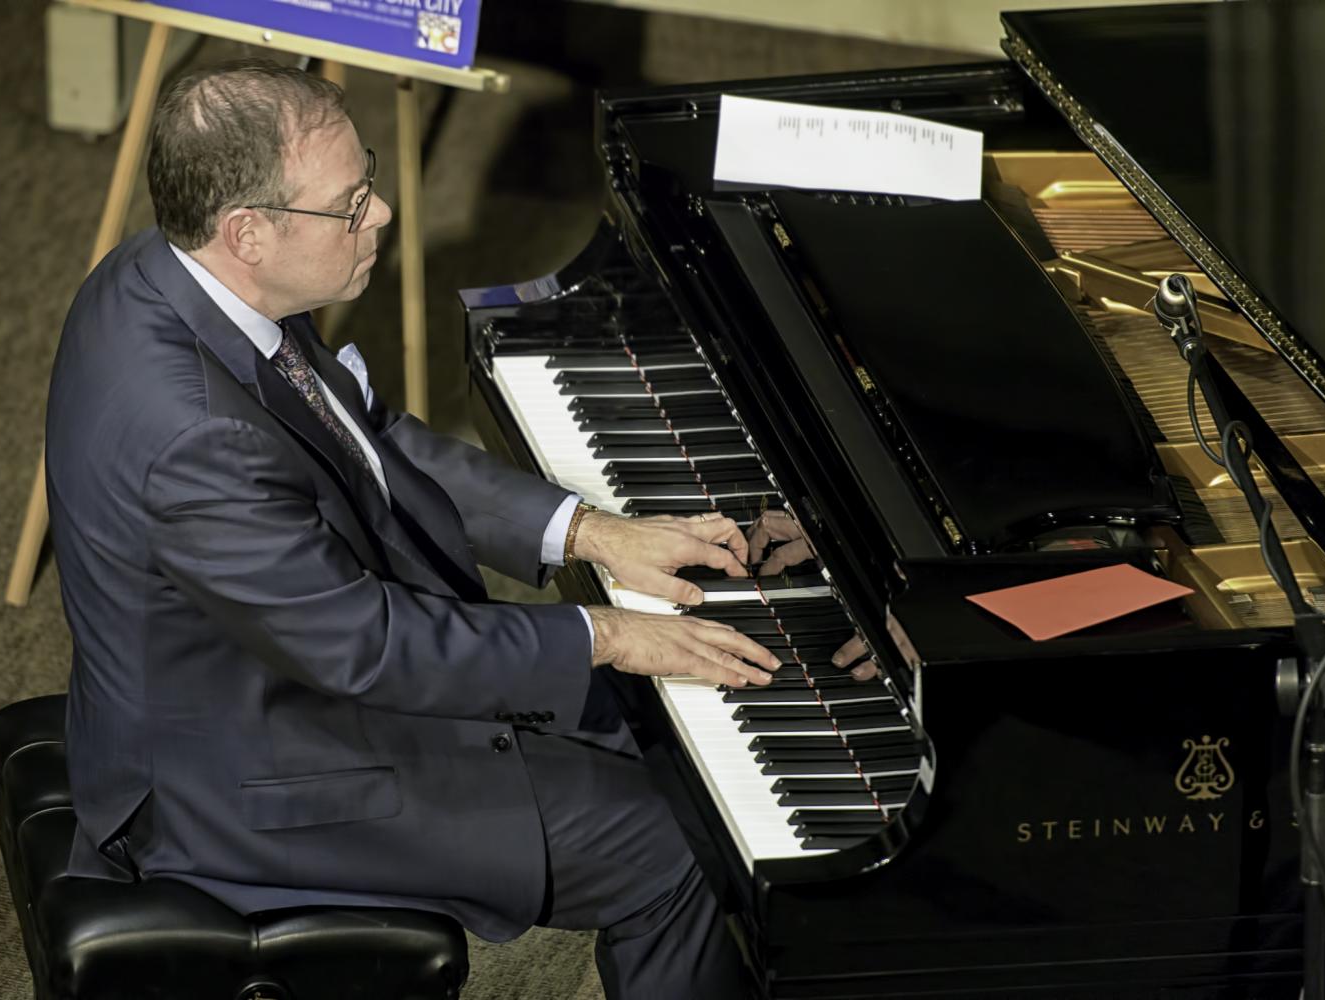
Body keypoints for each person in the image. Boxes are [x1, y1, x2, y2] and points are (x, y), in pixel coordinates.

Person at [44, 58, 786, 1000]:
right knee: (679, 850)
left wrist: (591, 533)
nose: (382, 215)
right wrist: (610, 632)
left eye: (371, 182)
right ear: (248, 231)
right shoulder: (195, 437)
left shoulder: (174, 276)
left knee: (648, 731)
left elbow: (366, 439)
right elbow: (368, 646)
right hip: (252, 786)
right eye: (352, 204)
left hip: (261, 690)